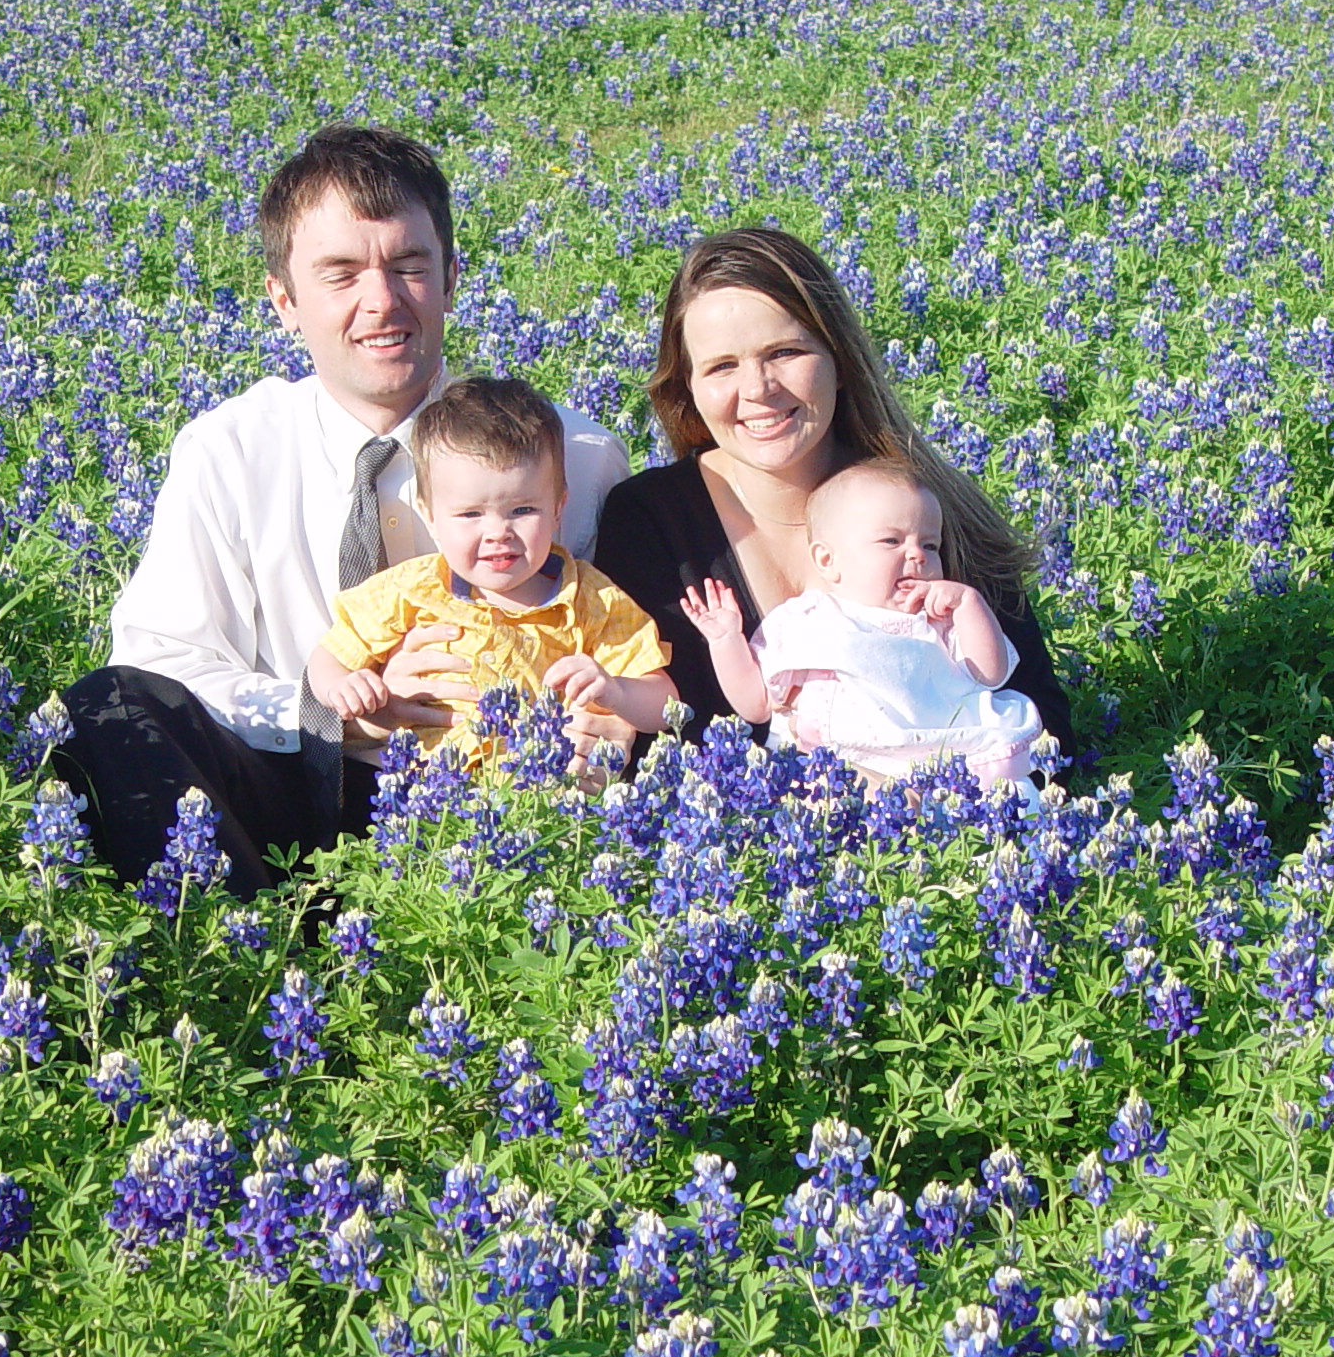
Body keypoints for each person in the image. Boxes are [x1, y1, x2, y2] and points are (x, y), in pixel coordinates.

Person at [53, 127, 629, 895]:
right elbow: (159, 660)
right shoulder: (229, 449)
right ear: (284, 302)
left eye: (409, 265)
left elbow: (624, 652)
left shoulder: (576, 456)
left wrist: (611, 717)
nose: (381, 300)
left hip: (498, 805)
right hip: (279, 801)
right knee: (104, 707)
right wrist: (325, 715)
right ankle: (236, 956)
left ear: (452, 279)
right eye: (340, 273)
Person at [589, 226, 1071, 752]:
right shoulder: (648, 521)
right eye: (722, 366)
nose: (758, 389)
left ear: (839, 362)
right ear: (689, 388)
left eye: (786, 352)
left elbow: (1044, 733)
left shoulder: (921, 507)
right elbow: (648, 744)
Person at [307, 376, 677, 749]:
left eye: (522, 509)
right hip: (436, 794)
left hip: (548, 795)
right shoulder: (408, 590)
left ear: (558, 508)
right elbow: (328, 657)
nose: (498, 532)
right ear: (429, 516)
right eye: (470, 514)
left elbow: (666, 703)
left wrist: (617, 691)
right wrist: (343, 684)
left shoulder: (594, 599)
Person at [679, 457, 1042, 790]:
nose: (916, 554)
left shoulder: (936, 620)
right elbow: (756, 704)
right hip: (843, 773)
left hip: (949, 767)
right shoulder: (810, 620)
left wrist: (969, 604)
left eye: (931, 546)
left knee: (1008, 800)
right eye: (891, 541)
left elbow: (990, 673)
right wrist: (726, 641)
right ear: (827, 560)